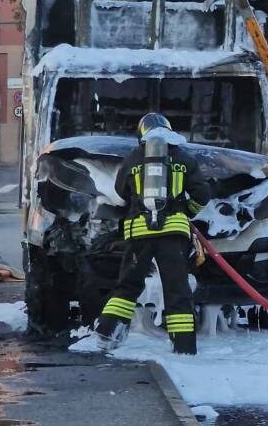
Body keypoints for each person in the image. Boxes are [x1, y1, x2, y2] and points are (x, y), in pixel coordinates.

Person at [94, 113, 210, 355]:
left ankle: (106, 331)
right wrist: (184, 210)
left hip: (139, 234)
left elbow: (120, 191)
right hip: (173, 235)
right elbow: (202, 194)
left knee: (127, 286)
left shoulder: (134, 159)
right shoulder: (183, 158)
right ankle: (184, 348)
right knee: (177, 290)